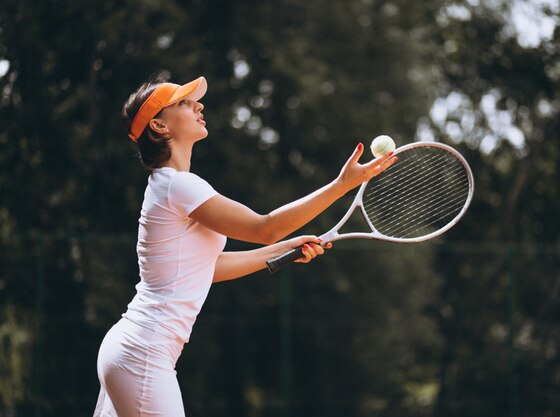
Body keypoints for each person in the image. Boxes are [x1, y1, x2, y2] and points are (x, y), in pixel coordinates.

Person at [93, 75, 396, 417]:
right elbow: (265, 228)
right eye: (183, 102)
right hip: (143, 353)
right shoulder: (178, 185)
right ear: (160, 126)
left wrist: (285, 250)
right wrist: (342, 185)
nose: (199, 105)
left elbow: (207, 268)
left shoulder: (166, 186)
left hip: (130, 349)